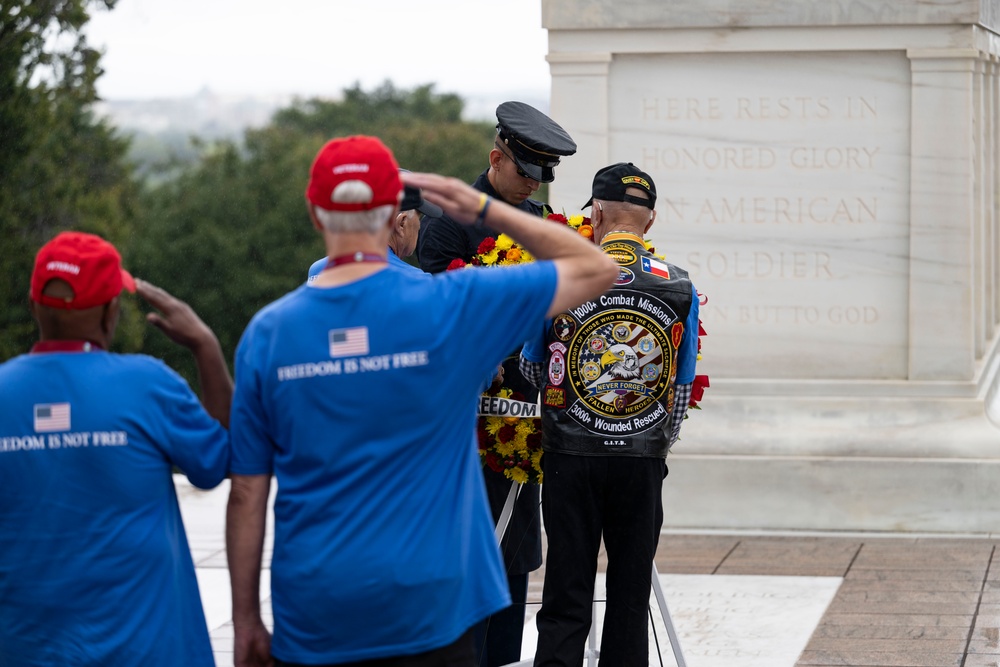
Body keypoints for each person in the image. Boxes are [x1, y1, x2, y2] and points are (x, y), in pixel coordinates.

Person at [226, 135, 616, 667]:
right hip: (430, 603)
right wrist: (484, 208)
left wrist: (246, 618)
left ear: (315, 213)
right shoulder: (448, 306)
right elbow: (597, 269)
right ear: (394, 215)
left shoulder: (267, 334)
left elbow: (248, 492)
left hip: (317, 604)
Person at [0, 231, 232, 666]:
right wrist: (204, 345)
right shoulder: (146, 386)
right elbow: (218, 462)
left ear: (33, 307)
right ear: (111, 313)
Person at [520, 163, 700, 667]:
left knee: (565, 589)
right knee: (629, 591)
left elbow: (537, 369)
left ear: (595, 213)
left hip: (569, 457)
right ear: (651, 220)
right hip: (640, 459)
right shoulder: (680, 286)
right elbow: (680, 390)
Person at [417, 101, 576, 667]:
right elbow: (437, 316)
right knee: (470, 554)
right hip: (470, 420)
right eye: (525, 172)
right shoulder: (448, 220)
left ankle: (503, 656)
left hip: (524, 414)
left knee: (514, 555)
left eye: (541, 177)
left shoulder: (536, 222)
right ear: (495, 159)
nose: (534, 185)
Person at [308, 176, 442, 280]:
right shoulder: (417, 280)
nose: (419, 227)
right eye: (418, 219)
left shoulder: (319, 270)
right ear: (402, 223)